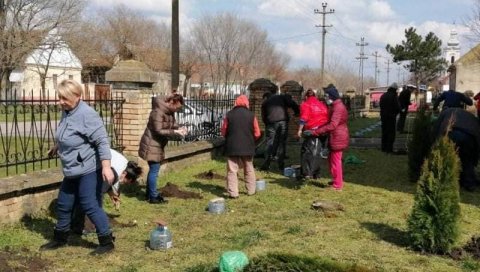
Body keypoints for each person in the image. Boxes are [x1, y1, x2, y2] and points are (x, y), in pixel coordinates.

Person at [40, 79, 116, 255]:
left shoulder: (87, 114)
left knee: (89, 204)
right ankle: (60, 238)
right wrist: (57, 147)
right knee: (64, 204)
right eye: (59, 97)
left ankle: (106, 241)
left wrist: (106, 167)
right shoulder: (67, 111)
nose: (61, 102)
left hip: (88, 169)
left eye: (64, 98)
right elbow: (67, 133)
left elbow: (102, 142)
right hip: (72, 169)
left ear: (77, 96)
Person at [71, 149, 143, 234]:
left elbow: (106, 182)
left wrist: (112, 194)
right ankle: (83, 227)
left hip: (83, 161)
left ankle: (77, 224)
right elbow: (97, 195)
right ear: (124, 174)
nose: (124, 183)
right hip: (82, 163)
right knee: (89, 198)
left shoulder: (125, 166)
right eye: (126, 182)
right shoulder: (114, 171)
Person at [138, 90, 187, 204]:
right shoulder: (158, 112)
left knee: (153, 170)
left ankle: (149, 194)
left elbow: (172, 124)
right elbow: (158, 130)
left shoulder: (169, 112)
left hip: (158, 145)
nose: (177, 110)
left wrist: (180, 128)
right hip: (151, 144)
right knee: (154, 170)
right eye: (177, 107)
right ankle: (153, 197)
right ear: (171, 102)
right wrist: (175, 132)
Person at [303, 84, 349, 191]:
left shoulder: (338, 107)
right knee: (332, 160)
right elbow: (329, 122)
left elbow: (333, 125)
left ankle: (338, 185)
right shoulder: (335, 106)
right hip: (336, 135)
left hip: (338, 136)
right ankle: (337, 180)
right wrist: (316, 129)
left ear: (332, 96)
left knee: (335, 161)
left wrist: (315, 132)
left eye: (327, 96)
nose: (325, 98)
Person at [221, 95, 261, 198]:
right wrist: (251, 140)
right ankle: (251, 190)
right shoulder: (251, 115)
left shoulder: (229, 115)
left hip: (232, 146)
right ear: (246, 103)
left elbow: (223, 131)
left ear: (236, 103)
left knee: (232, 170)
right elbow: (257, 133)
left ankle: (233, 193)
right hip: (247, 146)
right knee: (249, 168)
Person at [432, 108, 480, 191]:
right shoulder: (470, 116)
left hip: (451, 133)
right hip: (469, 137)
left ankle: (447, 181)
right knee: (467, 160)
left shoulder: (445, 112)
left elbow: (436, 128)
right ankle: (469, 183)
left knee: (446, 158)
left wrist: (434, 143)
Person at [260, 89, 300, 171]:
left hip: (271, 123)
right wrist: (297, 112)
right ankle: (281, 165)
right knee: (282, 143)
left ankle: (266, 164)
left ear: (266, 97)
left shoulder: (265, 103)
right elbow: (292, 103)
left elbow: (263, 117)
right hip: (283, 122)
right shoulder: (281, 97)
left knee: (269, 143)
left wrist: (267, 125)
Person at [296, 88, 329, 179]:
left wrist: (299, 130)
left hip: (312, 131)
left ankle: (307, 173)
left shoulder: (306, 104)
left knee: (308, 152)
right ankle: (316, 173)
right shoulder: (322, 104)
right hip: (323, 130)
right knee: (317, 152)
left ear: (306, 96)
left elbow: (304, 118)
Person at [379, 82, 400, 153]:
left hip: (383, 117)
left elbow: (381, 105)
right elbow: (397, 107)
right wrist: (397, 113)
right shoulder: (394, 96)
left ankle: (383, 148)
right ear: (395, 89)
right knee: (391, 133)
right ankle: (389, 149)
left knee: (384, 132)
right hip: (391, 117)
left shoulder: (383, 95)